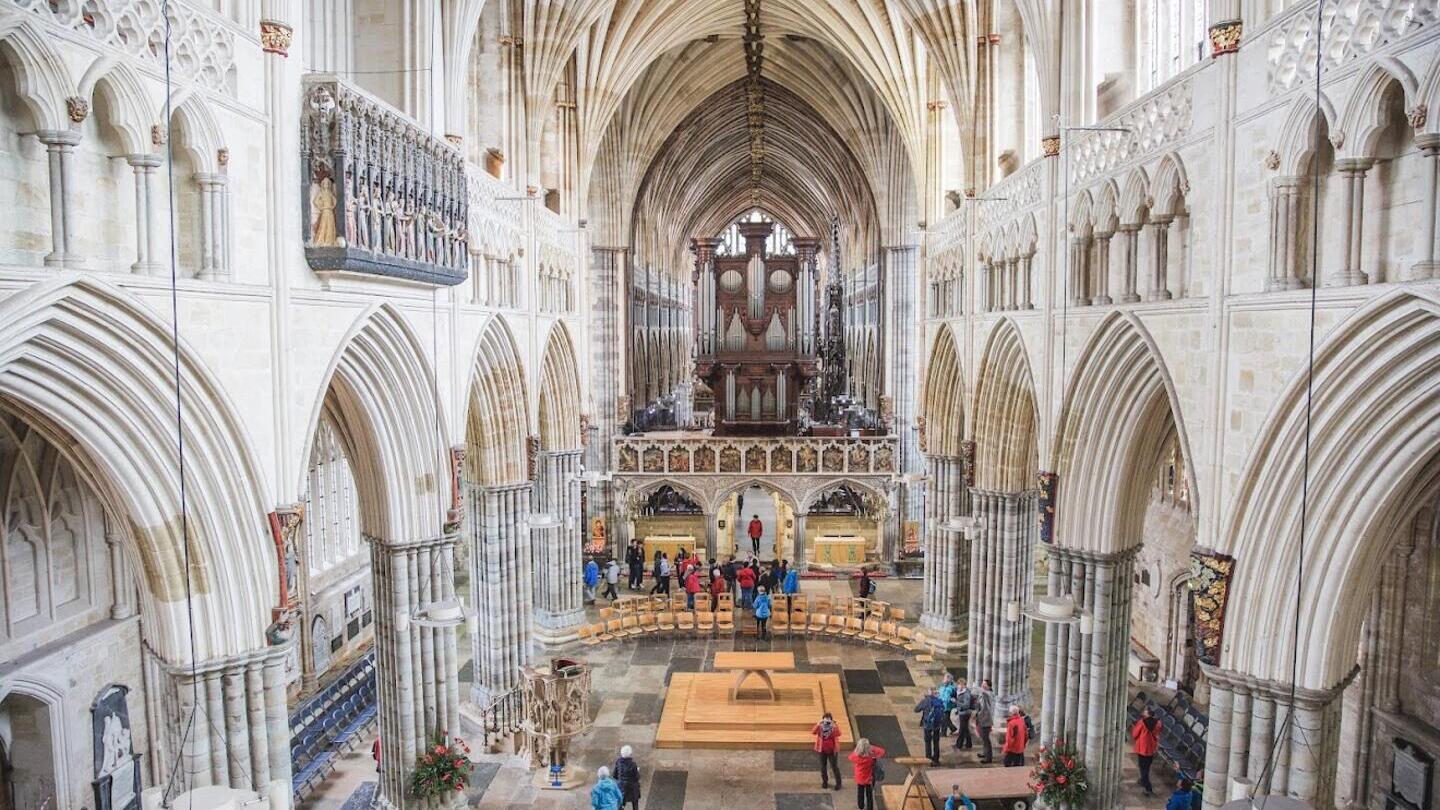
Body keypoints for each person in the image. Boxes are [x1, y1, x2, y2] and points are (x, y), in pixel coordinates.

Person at [848, 737, 886, 810]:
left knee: (860, 792)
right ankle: (870, 808)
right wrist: (871, 748)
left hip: (860, 778)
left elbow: (850, 757)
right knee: (869, 795)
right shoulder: (871, 758)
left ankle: (861, 805)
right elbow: (882, 751)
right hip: (869, 778)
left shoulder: (856, 757)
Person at [1132, 707, 1161, 796]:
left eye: (1145, 711)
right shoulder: (1158, 723)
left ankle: (1148, 788)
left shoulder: (1142, 722)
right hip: (1151, 748)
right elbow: (1157, 733)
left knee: (1142, 767)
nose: (1143, 712)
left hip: (1143, 748)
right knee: (1147, 766)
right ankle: (1143, 780)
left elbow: (1135, 734)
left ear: (1148, 714)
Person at [915, 687, 947, 766]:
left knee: (928, 742)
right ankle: (936, 760)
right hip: (937, 725)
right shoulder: (939, 701)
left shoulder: (925, 701)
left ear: (929, 693)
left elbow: (916, 709)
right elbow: (943, 710)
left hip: (928, 725)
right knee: (936, 743)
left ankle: (928, 759)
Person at [812, 712, 844, 790]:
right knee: (823, 767)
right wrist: (818, 724)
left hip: (832, 750)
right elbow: (813, 732)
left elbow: (839, 734)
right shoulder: (820, 727)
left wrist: (834, 726)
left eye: (828, 720)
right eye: (825, 720)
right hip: (822, 749)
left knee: (834, 767)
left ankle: (838, 783)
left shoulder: (833, 727)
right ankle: (825, 782)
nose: (827, 722)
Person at [972, 679, 995, 764]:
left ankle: (989, 758)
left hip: (986, 720)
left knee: (986, 739)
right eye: (982, 684)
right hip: (981, 718)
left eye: (984, 684)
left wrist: (976, 686)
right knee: (983, 738)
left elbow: (984, 693)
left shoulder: (989, 694)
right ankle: (985, 753)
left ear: (989, 686)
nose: (982, 685)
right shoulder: (983, 693)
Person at [612, 745, 641, 810]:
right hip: (632, 788)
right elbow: (637, 777)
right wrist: (637, 771)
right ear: (630, 754)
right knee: (635, 802)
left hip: (622, 787)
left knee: (621, 803)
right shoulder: (633, 764)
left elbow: (614, 775)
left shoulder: (618, 762)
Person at [952, 678, 974, 750]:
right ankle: (968, 743)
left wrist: (956, 702)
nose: (958, 686)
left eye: (959, 684)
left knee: (962, 729)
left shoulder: (966, 693)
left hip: (965, 713)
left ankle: (959, 744)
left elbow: (966, 705)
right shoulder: (961, 691)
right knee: (965, 728)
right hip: (962, 712)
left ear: (962, 685)